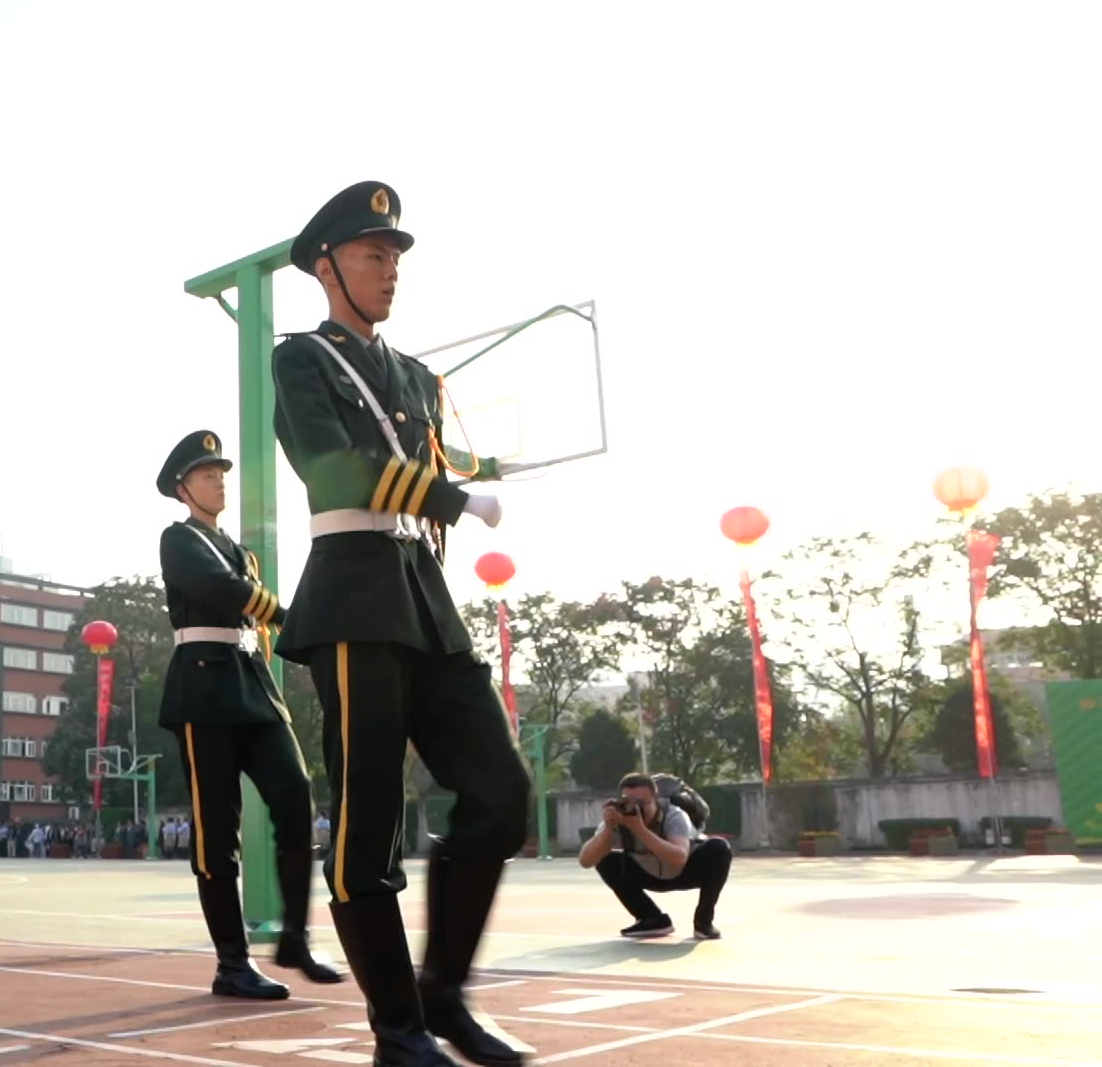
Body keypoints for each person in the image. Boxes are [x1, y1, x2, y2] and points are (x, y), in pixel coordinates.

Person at [271, 181, 531, 1067]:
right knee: (366, 820)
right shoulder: (301, 360)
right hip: (353, 596)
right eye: (374, 255)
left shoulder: (417, 376)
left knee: (501, 795)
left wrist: (482, 468)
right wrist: (456, 494)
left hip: (425, 596)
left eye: (394, 257)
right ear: (326, 265)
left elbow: (440, 458)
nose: (390, 271)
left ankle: (442, 994)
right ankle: (398, 1028)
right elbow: (338, 470)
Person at [155, 429, 344, 999]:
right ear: (183, 488)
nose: (218, 482)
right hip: (203, 687)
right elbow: (220, 589)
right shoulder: (179, 538)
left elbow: (246, 605)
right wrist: (291, 614)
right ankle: (231, 963)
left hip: (251, 686)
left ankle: (294, 936)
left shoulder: (242, 551)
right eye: (208, 474)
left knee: (295, 795)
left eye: (221, 473)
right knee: (218, 831)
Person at [577, 773, 731, 940]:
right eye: (628, 802)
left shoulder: (674, 815)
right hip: (647, 873)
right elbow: (586, 861)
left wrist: (639, 829)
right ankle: (651, 918)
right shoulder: (621, 819)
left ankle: (704, 922)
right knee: (605, 858)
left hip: (685, 872)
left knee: (719, 848)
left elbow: (679, 857)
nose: (636, 808)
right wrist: (608, 829)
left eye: (642, 802)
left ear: (656, 799)